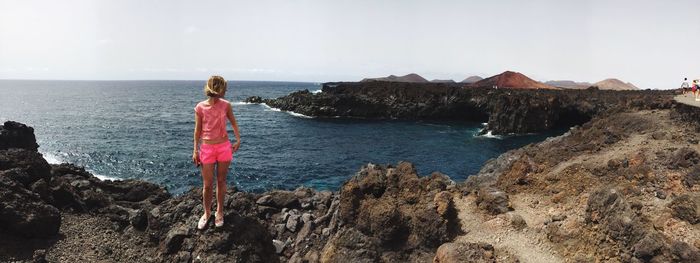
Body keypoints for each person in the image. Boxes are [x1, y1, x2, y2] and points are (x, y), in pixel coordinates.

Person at [192, 75, 241, 229]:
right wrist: (195, 150)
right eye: (224, 87)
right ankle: (206, 213)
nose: (226, 90)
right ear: (218, 88)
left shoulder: (226, 105)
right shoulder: (200, 107)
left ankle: (219, 212)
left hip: (224, 147)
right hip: (206, 148)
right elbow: (197, 130)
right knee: (207, 185)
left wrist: (238, 139)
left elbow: (233, 122)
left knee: (221, 181)